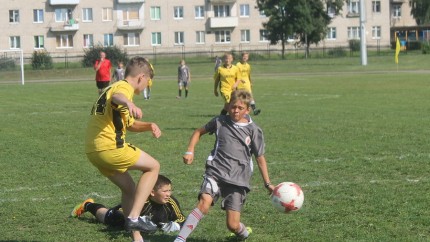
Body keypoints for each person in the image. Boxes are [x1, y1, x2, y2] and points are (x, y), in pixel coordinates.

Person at [174, 90, 275, 242]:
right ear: (228, 106)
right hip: (216, 172)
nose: (235, 110)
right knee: (204, 203)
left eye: (240, 108)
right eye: (233, 107)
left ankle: (243, 234)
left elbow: (260, 158)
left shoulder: (254, 130)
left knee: (232, 225)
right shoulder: (219, 121)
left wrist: (268, 184)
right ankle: (180, 239)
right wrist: (190, 150)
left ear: (247, 110)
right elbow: (198, 132)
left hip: (238, 179)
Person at [85, 56, 160, 242]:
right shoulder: (123, 88)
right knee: (153, 166)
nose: (147, 86)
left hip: (94, 151)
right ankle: (134, 217)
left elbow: (130, 124)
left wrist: (149, 125)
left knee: (129, 189)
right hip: (110, 148)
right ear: (141, 77)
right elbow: (119, 97)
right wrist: (129, 102)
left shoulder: (112, 88)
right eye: (148, 81)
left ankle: (137, 238)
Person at [71, 175, 186, 233]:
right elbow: (122, 213)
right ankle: (88, 205)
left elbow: (181, 218)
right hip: (121, 215)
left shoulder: (171, 202)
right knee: (110, 217)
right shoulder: (141, 201)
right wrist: (139, 222)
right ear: (152, 192)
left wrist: (175, 225)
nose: (168, 194)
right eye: (165, 191)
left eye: (169, 190)